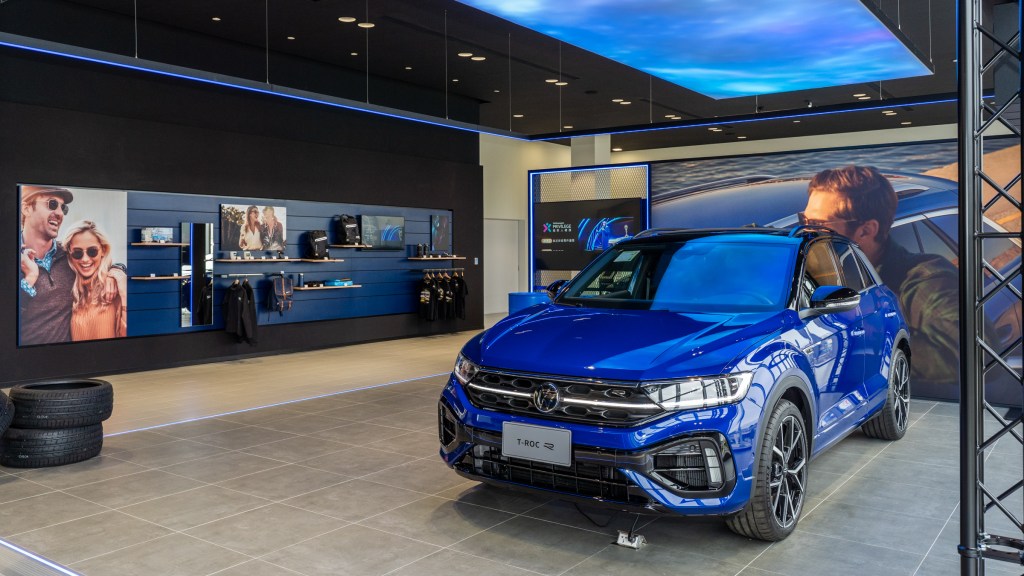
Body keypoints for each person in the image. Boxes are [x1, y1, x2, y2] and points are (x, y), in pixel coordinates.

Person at [800, 165, 960, 394]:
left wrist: (867, 333)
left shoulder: (925, 280)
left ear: (866, 231)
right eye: (803, 220)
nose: (805, 233)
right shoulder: (816, 272)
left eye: (816, 225)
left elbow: (966, 356)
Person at [19, 186, 127, 345]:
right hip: (26, 358)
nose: (60, 213)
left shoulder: (70, 256)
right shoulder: (8, 258)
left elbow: (98, 260)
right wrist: (29, 279)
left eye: (63, 208)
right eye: (52, 204)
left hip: (68, 357)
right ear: (27, 208)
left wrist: (116, 271)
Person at [63, 221, 127, 341]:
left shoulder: (115, 288)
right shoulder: (72, 291)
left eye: (92, 251)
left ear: (103, 250)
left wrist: (124, 292)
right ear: (70, 255)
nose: (85, 259)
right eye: (77, 253)